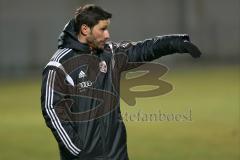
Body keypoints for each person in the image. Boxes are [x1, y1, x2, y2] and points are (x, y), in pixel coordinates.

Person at [41, 4, 202, 160]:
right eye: (102, 29)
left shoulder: (109, 53)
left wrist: (177, 43)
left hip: (116, 154)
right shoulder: (59, 65)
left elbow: (143, 49)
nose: (107, 35)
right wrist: (75, 149)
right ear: (85, 29)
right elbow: (51, 108)